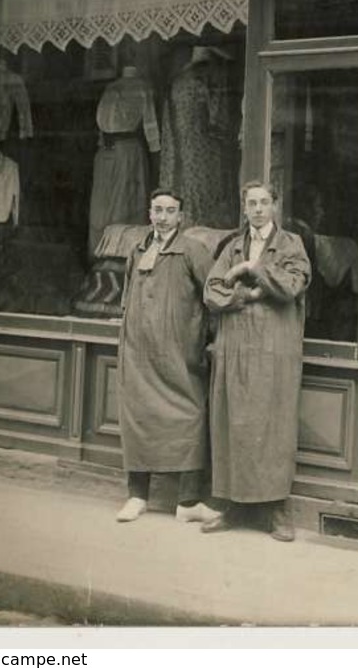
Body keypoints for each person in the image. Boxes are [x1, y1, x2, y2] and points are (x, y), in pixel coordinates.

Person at [202, 180, 311, 542]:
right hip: (234, 347)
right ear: (244, 208)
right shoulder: (232, 246)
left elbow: (294, 284)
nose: (259, 209)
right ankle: (232, 505)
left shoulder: (290, 243)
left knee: (273, 426)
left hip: (274, 348)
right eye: (252, 203)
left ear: (275, 206)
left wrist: (253, 267)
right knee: (233, 423)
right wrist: (246, 294)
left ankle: (275, 509)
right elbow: (212, 292)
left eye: (265, 202)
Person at [115, 188, 218, 525]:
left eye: (170, 211)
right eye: (157, 209)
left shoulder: (193, 251)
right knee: (139, 419)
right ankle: (137, 496)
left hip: (179, 354)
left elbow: (214, 296)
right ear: (149, 212)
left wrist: (207, 340)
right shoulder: (137, 249)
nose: (162, 217)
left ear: (181, 216)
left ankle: (187, 502)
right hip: (137, 354)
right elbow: (127, 296)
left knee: (188, 415)